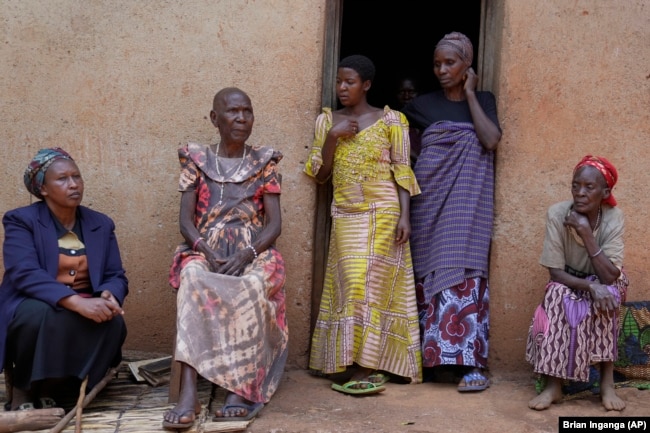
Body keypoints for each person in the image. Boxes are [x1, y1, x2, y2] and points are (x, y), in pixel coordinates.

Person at [163, 87, 287, 429]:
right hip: (206, 247)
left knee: (251, 284)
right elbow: (185, 221)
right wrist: (204, 249)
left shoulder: (264, 161)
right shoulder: (196, 159)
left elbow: (274, 224)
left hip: (254, 248)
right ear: (215, 118)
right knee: (192, 278)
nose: (241, 119)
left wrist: (249, 252)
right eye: (233, 112)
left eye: (247, 111)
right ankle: (189, 391)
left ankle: (239, 388)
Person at [304, 54, 422, 395]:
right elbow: (320, 174)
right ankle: (346, 360)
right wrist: (332, 138)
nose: (342, 88)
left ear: (366, 85)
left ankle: (365, 365)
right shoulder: (328, 121)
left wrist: (405, 216)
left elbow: (401, 170)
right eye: (339, 81)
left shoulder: (392, 121)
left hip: (383, 212)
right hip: (346, 214)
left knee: (367, 287)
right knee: (349, 284)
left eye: (350, 82)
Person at [402, 31, 502, 392]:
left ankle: (469, 365)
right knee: (425, 276)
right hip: (427, 202)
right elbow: (400, 152)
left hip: (467, 206)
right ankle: (428, 362)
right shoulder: (421, 105)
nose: (442, 70)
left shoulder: (484, 100)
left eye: (450, 63)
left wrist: (471, 94)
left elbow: (490, 140)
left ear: (467, 66)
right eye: (437, 63)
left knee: (464, 274)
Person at [0, 147, 128, 411]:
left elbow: (115, 274)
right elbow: (24, 272)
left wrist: (108, 295)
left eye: (76, 177)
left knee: (113, 323)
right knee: (40, 315)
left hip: (84, 300)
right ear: (43, 189)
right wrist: (76, 303)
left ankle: (54, 386)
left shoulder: (100, 224)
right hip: (32, 301)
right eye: (62, 179)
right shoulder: (21, 220)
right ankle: (24, 389)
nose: (73, 185)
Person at [526, 155, 627, 411]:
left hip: (604, 276)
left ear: (605, 192)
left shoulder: (614, 217)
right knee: (557, 295)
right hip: (569, 279)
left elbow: (610, 275)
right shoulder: (557, 213)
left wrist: (585, 232)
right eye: (575, 185)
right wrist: (589, 286)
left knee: (611, 292)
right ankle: (554, 385)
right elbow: (555, 273)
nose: (580, 193)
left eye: (589, 187)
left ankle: (607, 383)